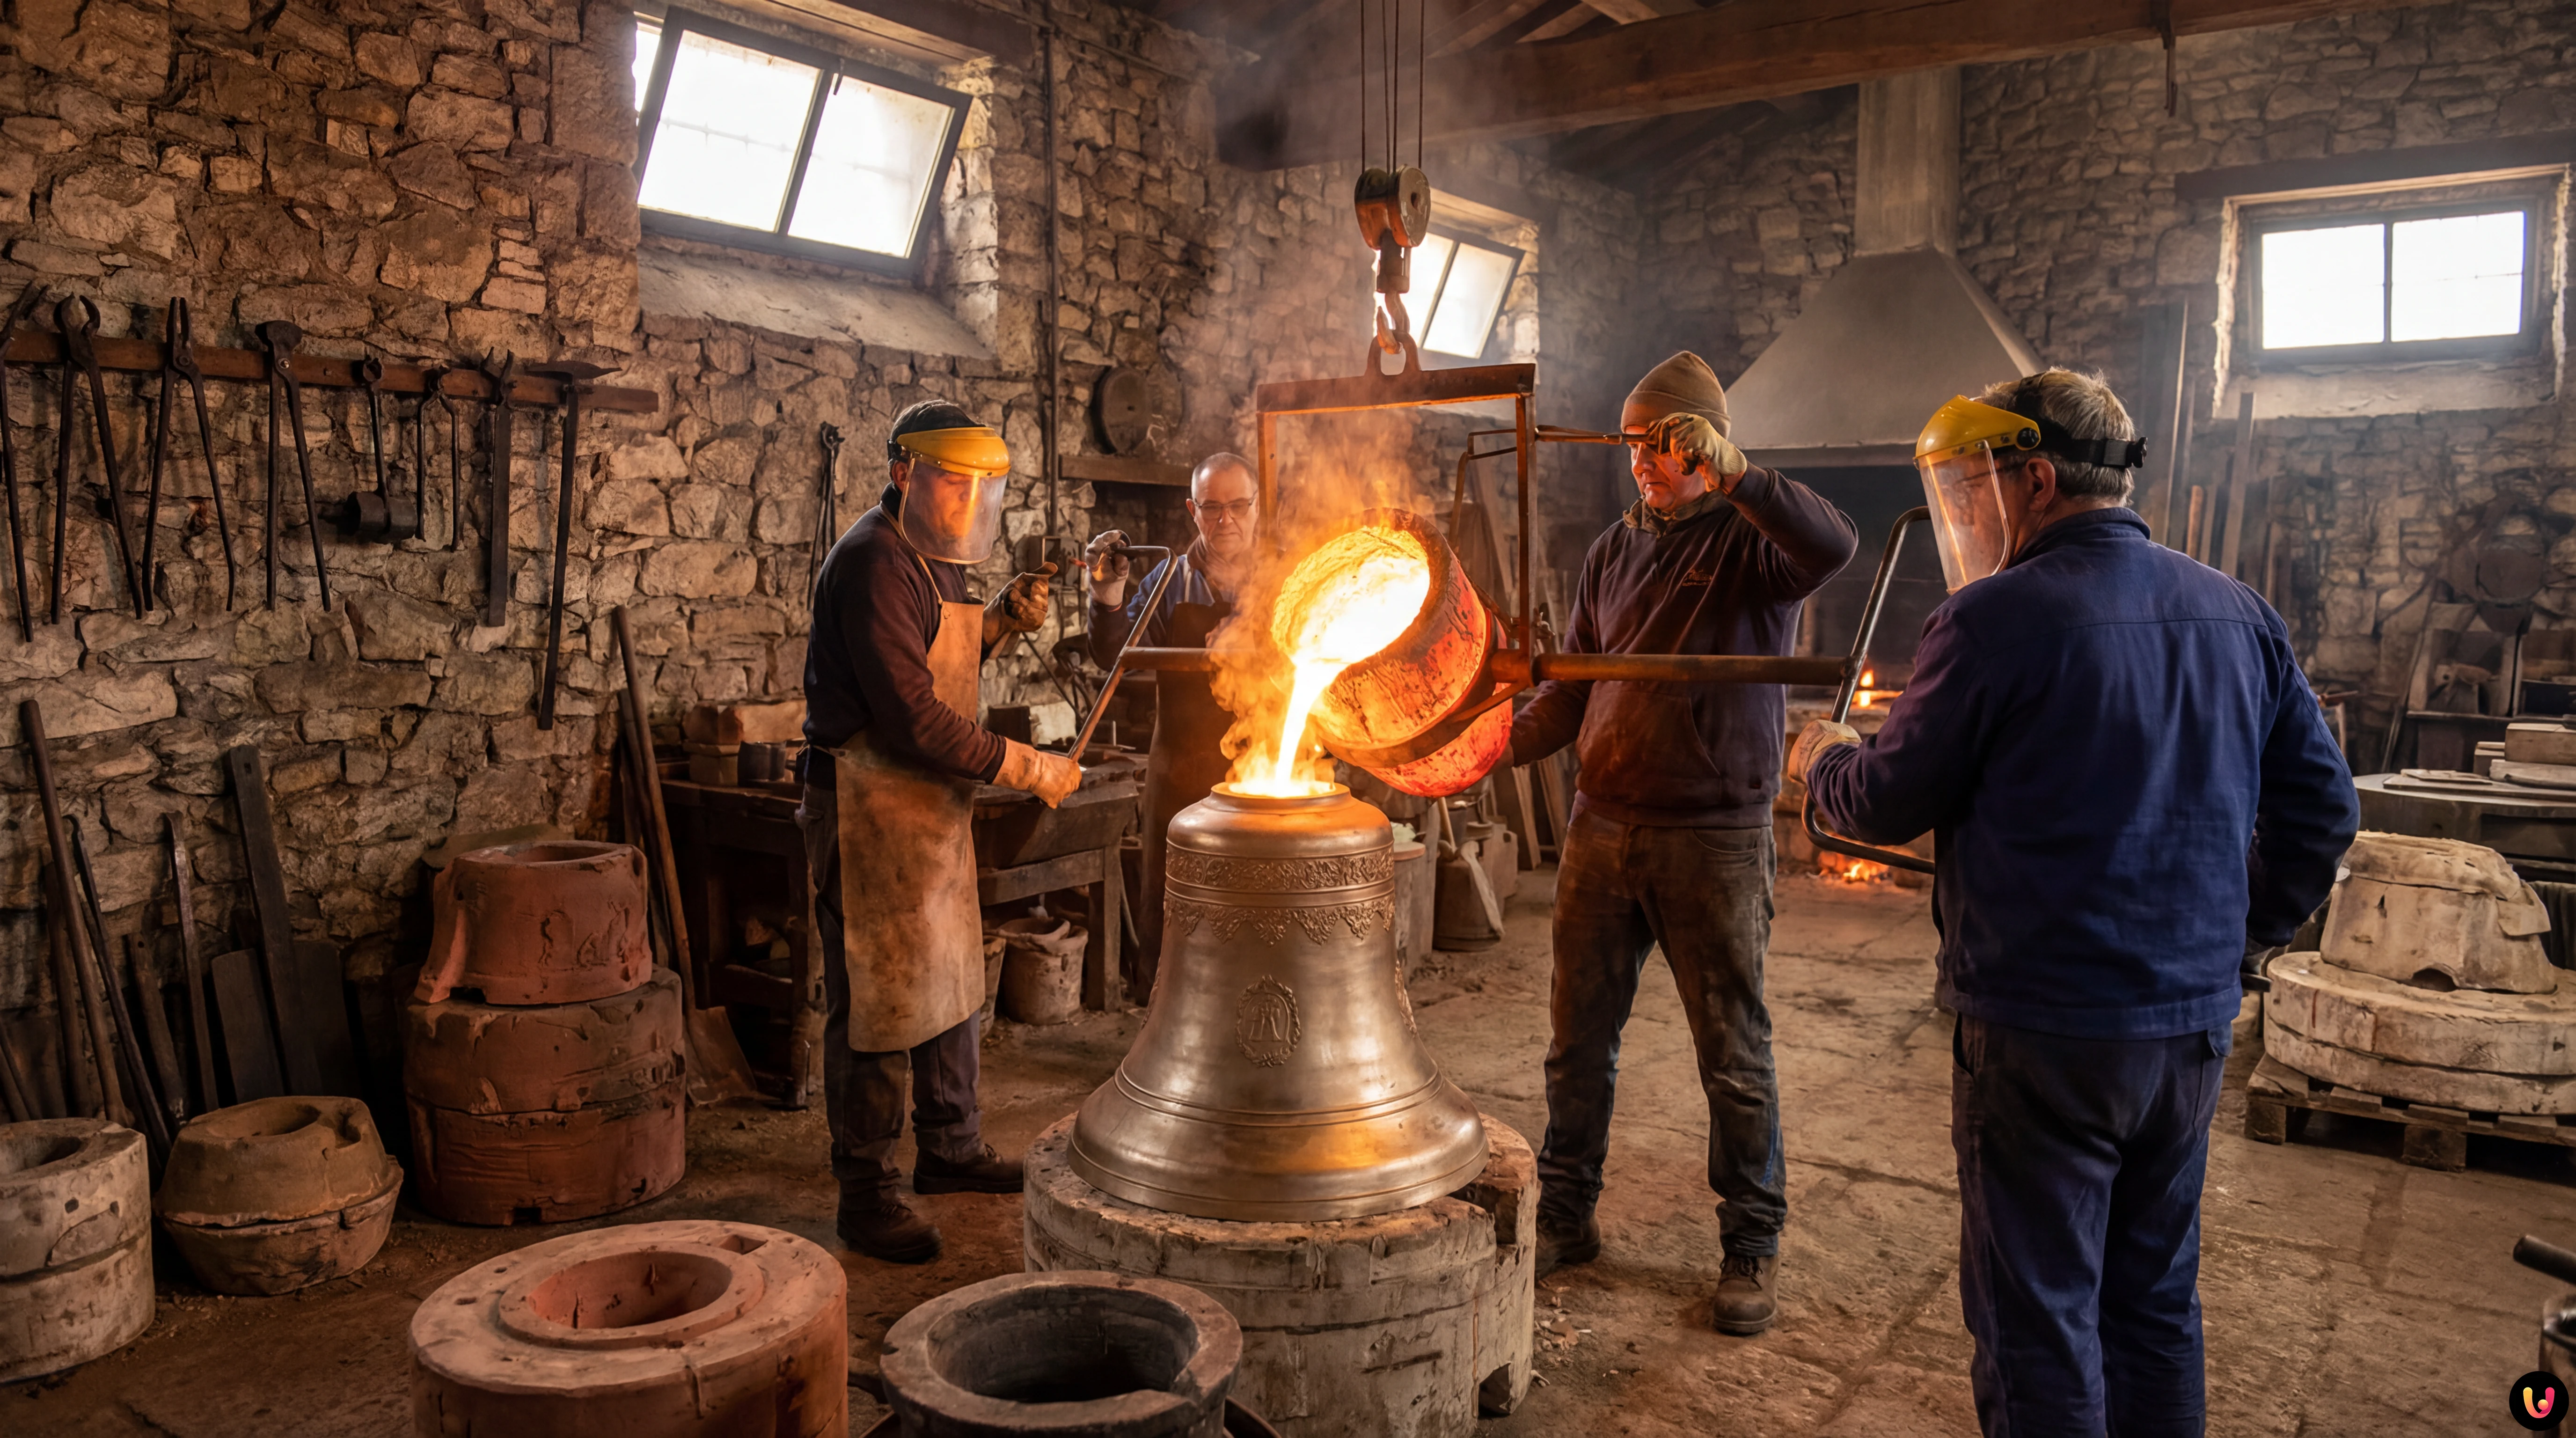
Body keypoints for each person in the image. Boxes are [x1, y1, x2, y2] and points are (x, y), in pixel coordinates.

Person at [1793, 370, 2357, 1434]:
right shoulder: (2237, 611)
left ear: (2036, 478)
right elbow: (2325, 811)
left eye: (1975, 491)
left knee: (2039, 1316)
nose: (1968, 515)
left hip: (2041, 1032)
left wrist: (1824, 756)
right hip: (2186, 1031)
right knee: (2151, 1303)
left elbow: (1879, 799)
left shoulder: (1993, 618)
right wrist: (2239, 942)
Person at [1508, 351, 1857, 1336]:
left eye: (1659, 446)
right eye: (1633, 447)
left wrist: (1742, 478)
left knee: (1732, 1054)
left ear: (1704, 446)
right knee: (1577, 1046)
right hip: (1601, 825)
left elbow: (1834, 545)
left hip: (1712, 837)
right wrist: (1489, 744)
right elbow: (1571, 683)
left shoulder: (1754, 545)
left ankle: (1751, 1240)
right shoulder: (1614, 551)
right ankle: (1567, 1215)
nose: (1642, 465)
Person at [798, 399, 1082, 1262]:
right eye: (950, 489)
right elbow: (913, 716)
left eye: (978, 494)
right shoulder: (873, 564)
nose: (964, 509)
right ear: (903, 476)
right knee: (880, 1004)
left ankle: (951, 1148)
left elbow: (939, 656)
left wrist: (995, 619)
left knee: (951, 983)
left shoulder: (935, 558)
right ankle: (868, 1192)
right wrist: (1029, 767)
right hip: (867, 803)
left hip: (927, 807)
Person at [1083, 452, 1260, 995]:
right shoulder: (1168, 580)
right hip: (1179, 776)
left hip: (1265, 776)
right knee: (1175, 910)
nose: (1224, 519)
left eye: (1236, 506)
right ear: (1191, 510)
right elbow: (1115, 653)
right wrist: (1106, 593)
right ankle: (1163, 1029)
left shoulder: (1287, 580)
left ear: (1256, 508)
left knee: (1259, 909)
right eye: (1211, 508)